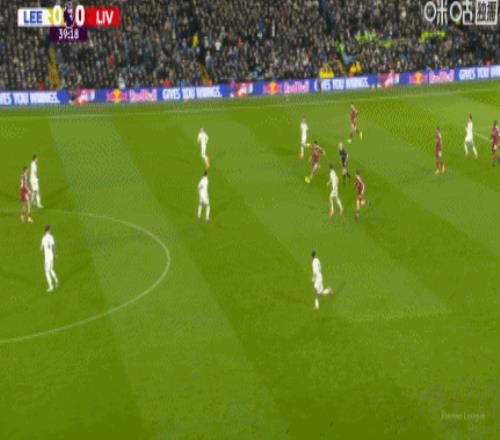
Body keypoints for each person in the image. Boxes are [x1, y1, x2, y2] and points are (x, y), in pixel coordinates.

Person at [41, 225, 59, 292]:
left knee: (46, 272)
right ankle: (56, 281)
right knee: (51, 269)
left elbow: (41, 248)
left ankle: (51, 287)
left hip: (47, 258)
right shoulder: (51, 237)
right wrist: (55, 254)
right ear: (48, 231)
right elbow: (53, 246)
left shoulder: (43, 238)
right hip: (51, 256)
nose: (50, 231)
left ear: (45, 231)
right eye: (50, 230)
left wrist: (42, 248)